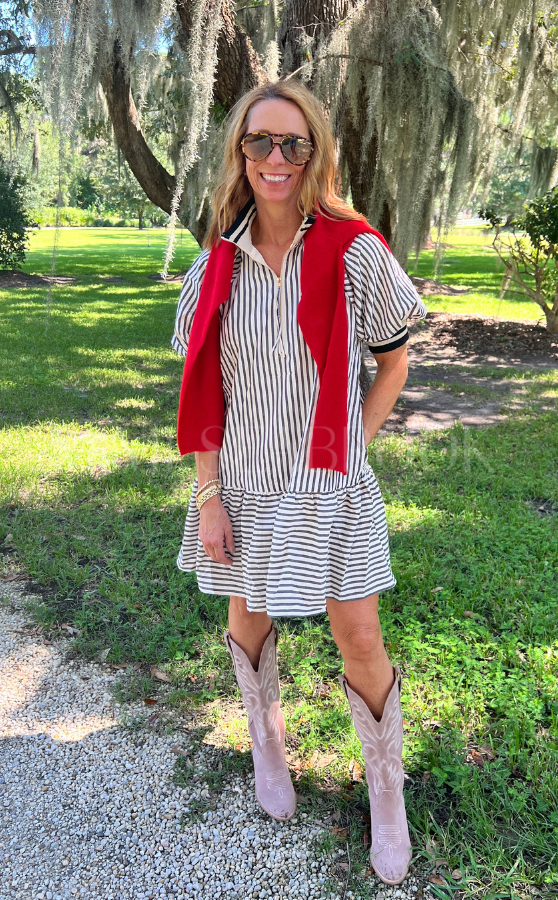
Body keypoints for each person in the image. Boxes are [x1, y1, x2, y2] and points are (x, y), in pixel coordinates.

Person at [171, 79, 426, 886]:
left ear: (314, 153)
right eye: (260, 142)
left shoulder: (356, 252)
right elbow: (204, 390)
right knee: (248, 621)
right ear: (239, 154)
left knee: (361, 638)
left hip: (330, 485)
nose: (275, 158)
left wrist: (351, 447)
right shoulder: (215, 268)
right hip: (243, 484)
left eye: (292, 143)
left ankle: (387, 796)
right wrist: (209, 495)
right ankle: (268, 750)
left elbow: (394, 363)